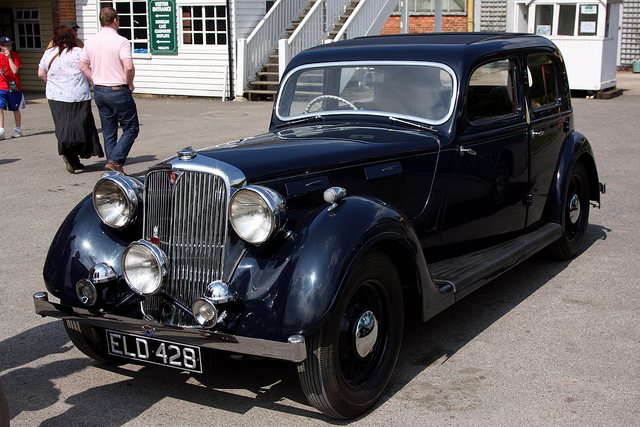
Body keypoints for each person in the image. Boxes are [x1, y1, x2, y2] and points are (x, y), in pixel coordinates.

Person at [80, 6, 139, 174]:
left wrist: (94, 77)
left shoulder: (90, 41)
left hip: (99, 89)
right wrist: (130, 83)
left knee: (109, 131)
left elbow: (82, 65)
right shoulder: (121, 41)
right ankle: (115, 161)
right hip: (118, 88)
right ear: (115, 20)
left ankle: (114, 169)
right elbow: (128, 66)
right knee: (131, 127)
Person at [38, 25, 103, 173]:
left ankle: (68, 154)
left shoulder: (49, 53)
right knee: (80, 125)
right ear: (72, 38)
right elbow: (89, 70)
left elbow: (41, 73)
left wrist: (54, 82)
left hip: (56, 96)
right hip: (78, 95)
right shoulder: (79, 52)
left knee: (62, 125)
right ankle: (75, 156)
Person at [0, 36, 25, 140]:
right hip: (2, 86)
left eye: (10, 45)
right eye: (6, 45)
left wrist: (9, 57)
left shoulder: (15, 55)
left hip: (14, 86)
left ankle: (18, 129)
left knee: (15, 108)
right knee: (0, 107)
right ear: (1, 46)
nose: (9, 47)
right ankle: (1, 129)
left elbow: (15, 70)